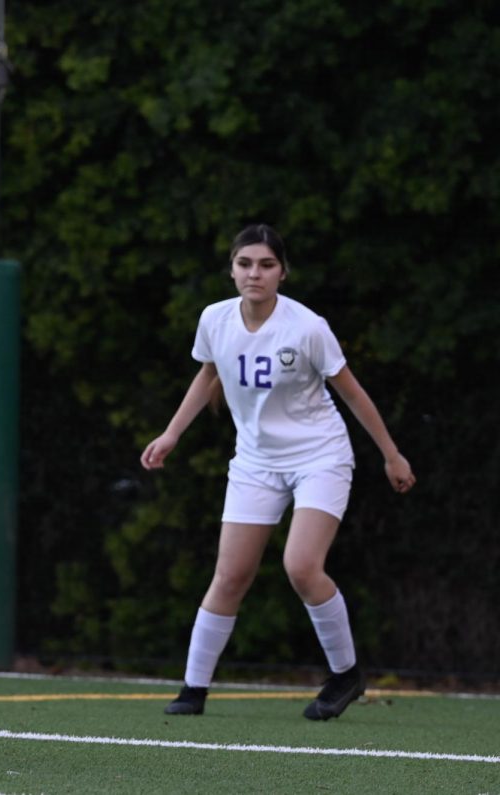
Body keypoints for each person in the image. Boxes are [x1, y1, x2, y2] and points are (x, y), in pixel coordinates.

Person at [140, 223, 415, 721]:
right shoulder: (214, 320)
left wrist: (391, 454)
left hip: (320, 458)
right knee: (230, 575)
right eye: (245, 264)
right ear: (232, 269)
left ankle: (346, 674)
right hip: (255, 462)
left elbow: (352, 392)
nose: (255, 273)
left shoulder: (307, 327)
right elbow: (209, 374)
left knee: (301, 566)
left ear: (282, 272)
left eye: (266, 265)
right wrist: (171, 433)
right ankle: (193, 690)